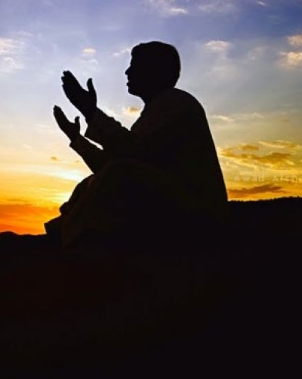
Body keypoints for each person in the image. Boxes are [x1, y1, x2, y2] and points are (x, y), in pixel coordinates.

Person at [47, 41, 228, 247]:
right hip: (180, 208)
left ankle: (73, 239)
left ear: (154, 71)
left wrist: (90, 111)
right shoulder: (158, 109)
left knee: (118, 173)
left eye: (134, 66)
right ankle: (64, 234)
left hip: (197, 215)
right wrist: (76, 138)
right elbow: (114, 162)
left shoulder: (175, 102)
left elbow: (128, 156)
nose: (127, 72)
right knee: (93, 181)